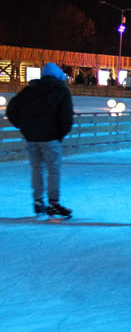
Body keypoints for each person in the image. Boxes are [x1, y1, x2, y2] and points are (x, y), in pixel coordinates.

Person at [5, 62, 74, 217]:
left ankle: (38, 200)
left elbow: (11, 111)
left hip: (32, 137)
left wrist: (24, 127)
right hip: (50, 138)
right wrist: (60, 134)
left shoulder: (29, 90)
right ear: (58, 76)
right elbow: (66, 117)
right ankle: (53, 202)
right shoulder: (61, 91)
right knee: (53, 169)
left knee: (37, 168)